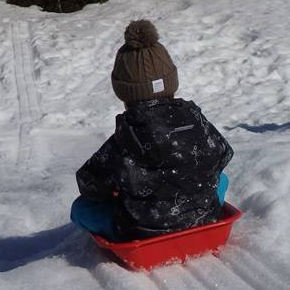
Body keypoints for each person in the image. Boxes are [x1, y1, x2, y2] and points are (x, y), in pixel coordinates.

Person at [70, 20, 233, 241]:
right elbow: (224, 153)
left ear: (124, 93)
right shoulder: (195, 118)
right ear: (171, 83)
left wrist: (116, 190)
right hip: (204, 215)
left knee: (80, 209)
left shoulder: (128, 134)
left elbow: (89, 183)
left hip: (144, 228)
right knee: (221, 179)